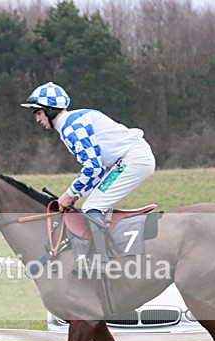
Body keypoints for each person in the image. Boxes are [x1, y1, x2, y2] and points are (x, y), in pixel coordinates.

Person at [21, 81, 156, 274]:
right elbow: (98, 169)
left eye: (38, 112)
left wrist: (70, 193)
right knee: (92, 205)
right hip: (130, 158)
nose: (37, 119)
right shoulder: (72, 123)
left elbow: (93, 167)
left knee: (93, 207)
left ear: (50, 110)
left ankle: (101, 261)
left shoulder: (71, 127)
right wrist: (77, 194)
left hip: (133, 159)